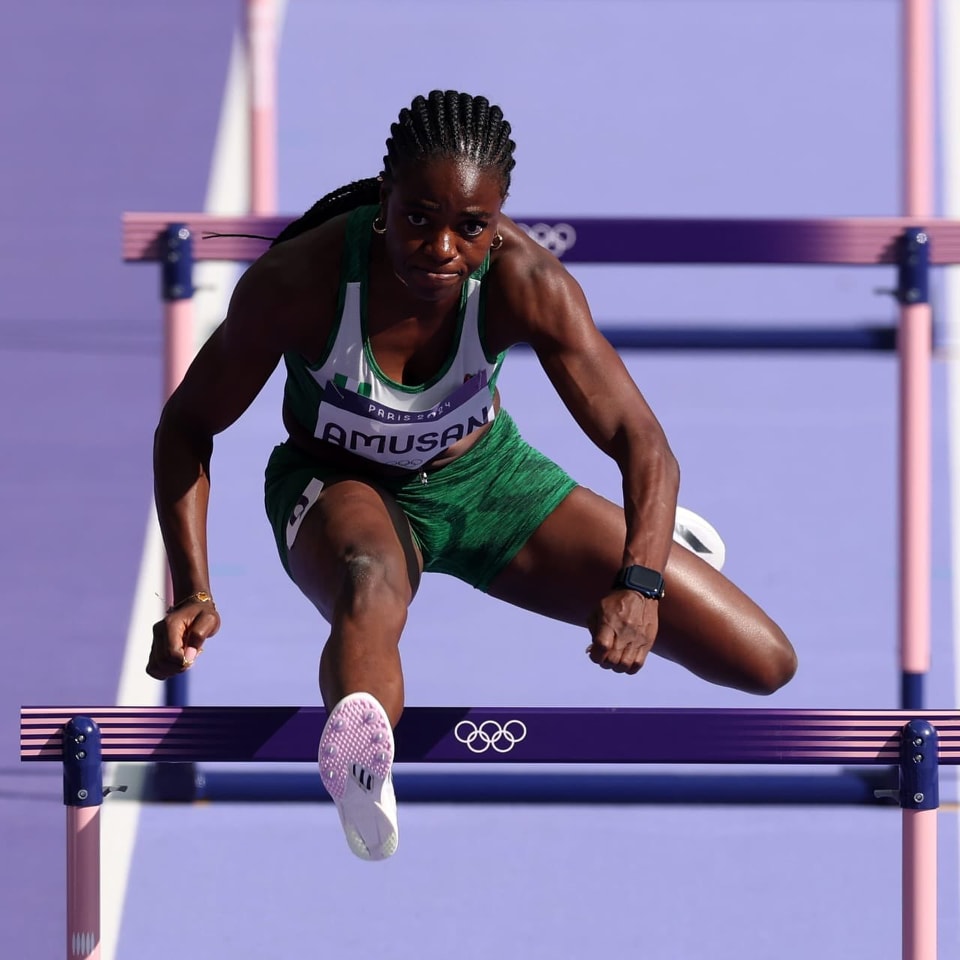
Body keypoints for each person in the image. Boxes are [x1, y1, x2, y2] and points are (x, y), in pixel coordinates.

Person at [148, 89, 798, 860]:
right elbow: (187, 424)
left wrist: (642, 581)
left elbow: (641, 438)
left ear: (497, 227)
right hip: (338, 489)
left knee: (763, 662)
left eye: (471, 227)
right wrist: (192, 587)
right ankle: (360, 767)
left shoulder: (528, 282)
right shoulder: (303, 281)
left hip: (486, 483)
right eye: (420, 218)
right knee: (370, 580)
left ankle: (646, 535)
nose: (443, 249)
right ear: (385, 202)